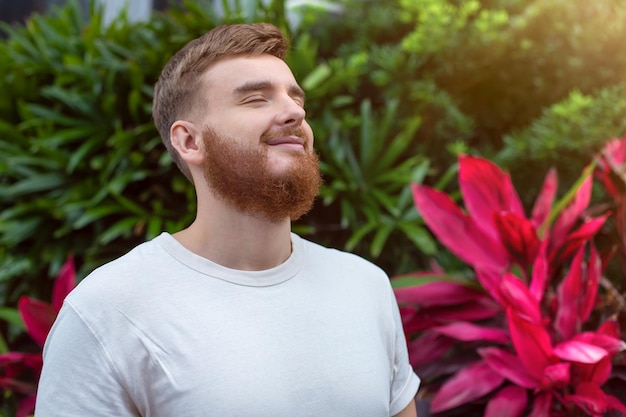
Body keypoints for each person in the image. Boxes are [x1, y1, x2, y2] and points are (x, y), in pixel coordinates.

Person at [35, 23, 420, 417]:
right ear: (189, 141)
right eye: (256, 99)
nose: (295, 112)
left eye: (295, 98)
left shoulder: (365, 285)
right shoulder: (108, 310)